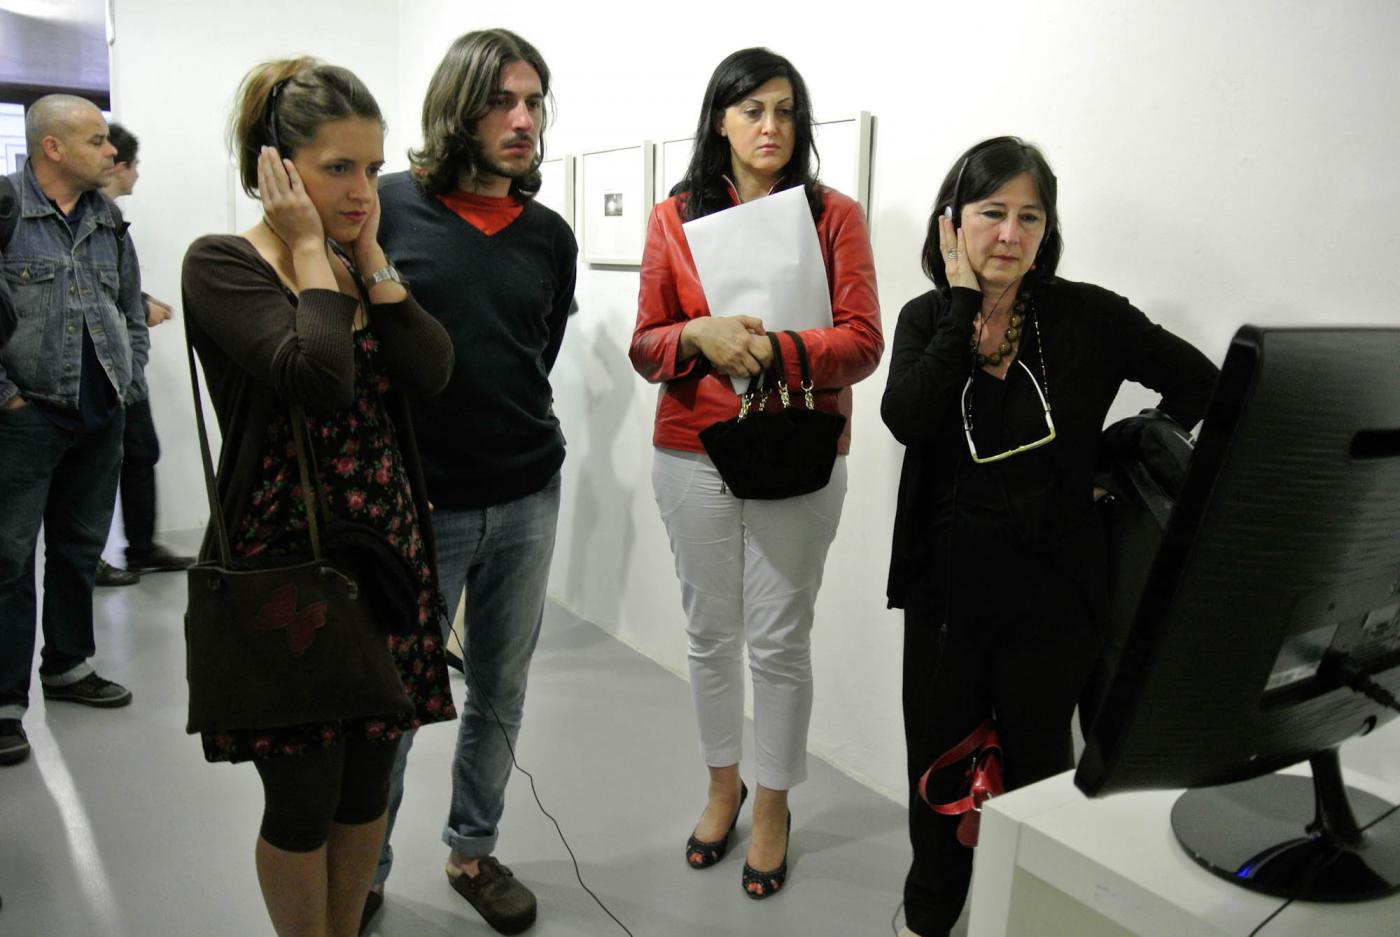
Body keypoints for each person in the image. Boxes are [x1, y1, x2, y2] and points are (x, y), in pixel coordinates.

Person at [881, 136, 1219, 937]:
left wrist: (1111, 459)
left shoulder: (1088, 315)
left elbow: (1202, 381)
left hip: (1055, 596)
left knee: (1038, 777)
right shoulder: (927, 317)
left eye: (1030, 217)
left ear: (1047, 229)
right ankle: (930, 916)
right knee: (938, 773)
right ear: (952, 223)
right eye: (991, 212)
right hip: (946, 597)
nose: (1010, 233)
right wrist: (962, 304)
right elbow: (908, 417)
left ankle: (1024, 917)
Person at [180, 58, 457, 937]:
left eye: (372, 168)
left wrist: (367, 257)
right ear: (277, 168)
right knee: (303, 797)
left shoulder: (353, 259)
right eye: (338, 167)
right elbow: (322, 380)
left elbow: (432, 369)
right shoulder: (223, 264)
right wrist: (309, 252)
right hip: (288, 567)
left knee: (368, 783)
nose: (362, 190)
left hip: (383, 555)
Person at [629, 47, 883, 899]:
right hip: (691, 447)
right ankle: (722, 786)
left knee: (779, 640)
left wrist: (776, 349)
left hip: (799, 443)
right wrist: (695, 336)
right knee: (709, 636)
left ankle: (772, 804)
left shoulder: (833, 214)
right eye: (752, 110)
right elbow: (646, 344)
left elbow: (863, 342)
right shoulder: (673, 217)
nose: (771, 126)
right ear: (720, 120)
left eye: (785, 110)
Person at [369, 28, 576, 936]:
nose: (523, 119)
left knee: (500, 689)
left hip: (529, 492)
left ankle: (473, 849)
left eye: (533, 101)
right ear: (459, 107)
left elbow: (534, 354)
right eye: (502, 101)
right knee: (392, 702)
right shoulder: (387, 209)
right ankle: (363, 864)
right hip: (420, 503)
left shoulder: (549, 234)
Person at [0, 95, 147, 768]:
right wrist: (7, 399)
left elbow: (130, 309)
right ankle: (5, 703)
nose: (111, 152)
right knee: (8, 561)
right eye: (96, 141)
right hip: (26, 417)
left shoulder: (107, 219)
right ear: (52, 148)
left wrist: (128, 382)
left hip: (100, 414)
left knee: (79, 550)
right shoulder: (7, 211)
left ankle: (67, 665)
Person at [94, 122, 194, 587]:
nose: (136, 175)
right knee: (98, 463)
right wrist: (138, 305)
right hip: (99, 368)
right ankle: (97, 556)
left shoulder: (111, 221)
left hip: (124, 363)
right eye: (134, 165)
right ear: (118, 165)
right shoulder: (87, 219)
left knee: (139, 451)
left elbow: (113, 285)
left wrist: (140, 302)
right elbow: (88, 292)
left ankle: (141, 548)